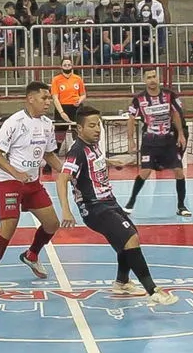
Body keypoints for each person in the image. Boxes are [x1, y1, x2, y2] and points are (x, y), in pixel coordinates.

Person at [56, 107, 180, 305]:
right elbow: (62, 178)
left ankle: (122, 282)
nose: (97, 129)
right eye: (92, 125)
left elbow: (94, 161)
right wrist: (66, 209)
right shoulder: (77, 151)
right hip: (94, 207)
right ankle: (153, 290)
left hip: (108, 202)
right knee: (129, 238)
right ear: (79, 129)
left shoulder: (93, 145)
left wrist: (110, 162)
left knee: (129, 237)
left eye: (99, 125)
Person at [0, 81, 63, 295]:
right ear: (30, 98)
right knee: (8, 229)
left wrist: (68, 172)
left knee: (52, 224)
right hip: (10, 182)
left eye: (49, 98)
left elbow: (49, 154)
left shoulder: (47, 124)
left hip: (32, 183)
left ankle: (32, 255)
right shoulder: (14, 122)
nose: (48, 102)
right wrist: (16, 173)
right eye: (44, 98)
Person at [125, 69, 191, 216]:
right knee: (145, 171)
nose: (152, 80)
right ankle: (130, 203)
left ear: (158, 78)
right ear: (144, 80)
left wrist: (181, 134)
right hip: (150, 141)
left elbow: (175, 114)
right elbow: (130, 119)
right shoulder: (139, 99)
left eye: (154, 76)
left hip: (168, 140)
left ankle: (181, 206)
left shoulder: (169, 95)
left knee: (179, 172)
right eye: (148, 77)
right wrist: (131, 140)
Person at [47, 57, 86, 174]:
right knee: (58, 137)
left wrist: (80, 100)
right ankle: (50, 164)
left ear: (72, 66)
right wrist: (61, 112)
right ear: (61, 66)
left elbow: (83, 94)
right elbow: (54, 97)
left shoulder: (77, 79)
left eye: (69, 65)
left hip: (76, 109)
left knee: (77, 136)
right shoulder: (56, 79)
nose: (67, 67)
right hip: (62, 108)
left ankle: (80, 162)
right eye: (65, 65)